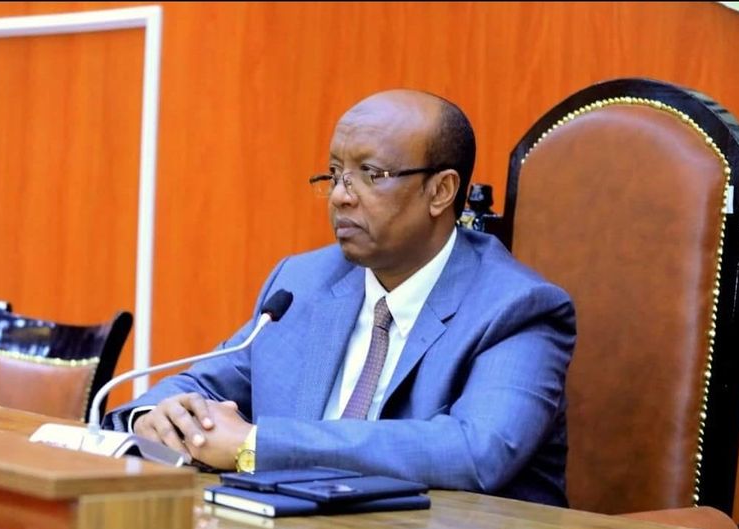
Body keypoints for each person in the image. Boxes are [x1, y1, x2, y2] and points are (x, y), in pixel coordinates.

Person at [105, 89, 576, 506]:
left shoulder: (517, 307)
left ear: (441, 191)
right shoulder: (305, 281)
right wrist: (157, 419)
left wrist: (256, 444)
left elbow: (477, 450)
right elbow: (204, 384)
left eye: (370, 174)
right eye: (334, 174)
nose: (339, 197)